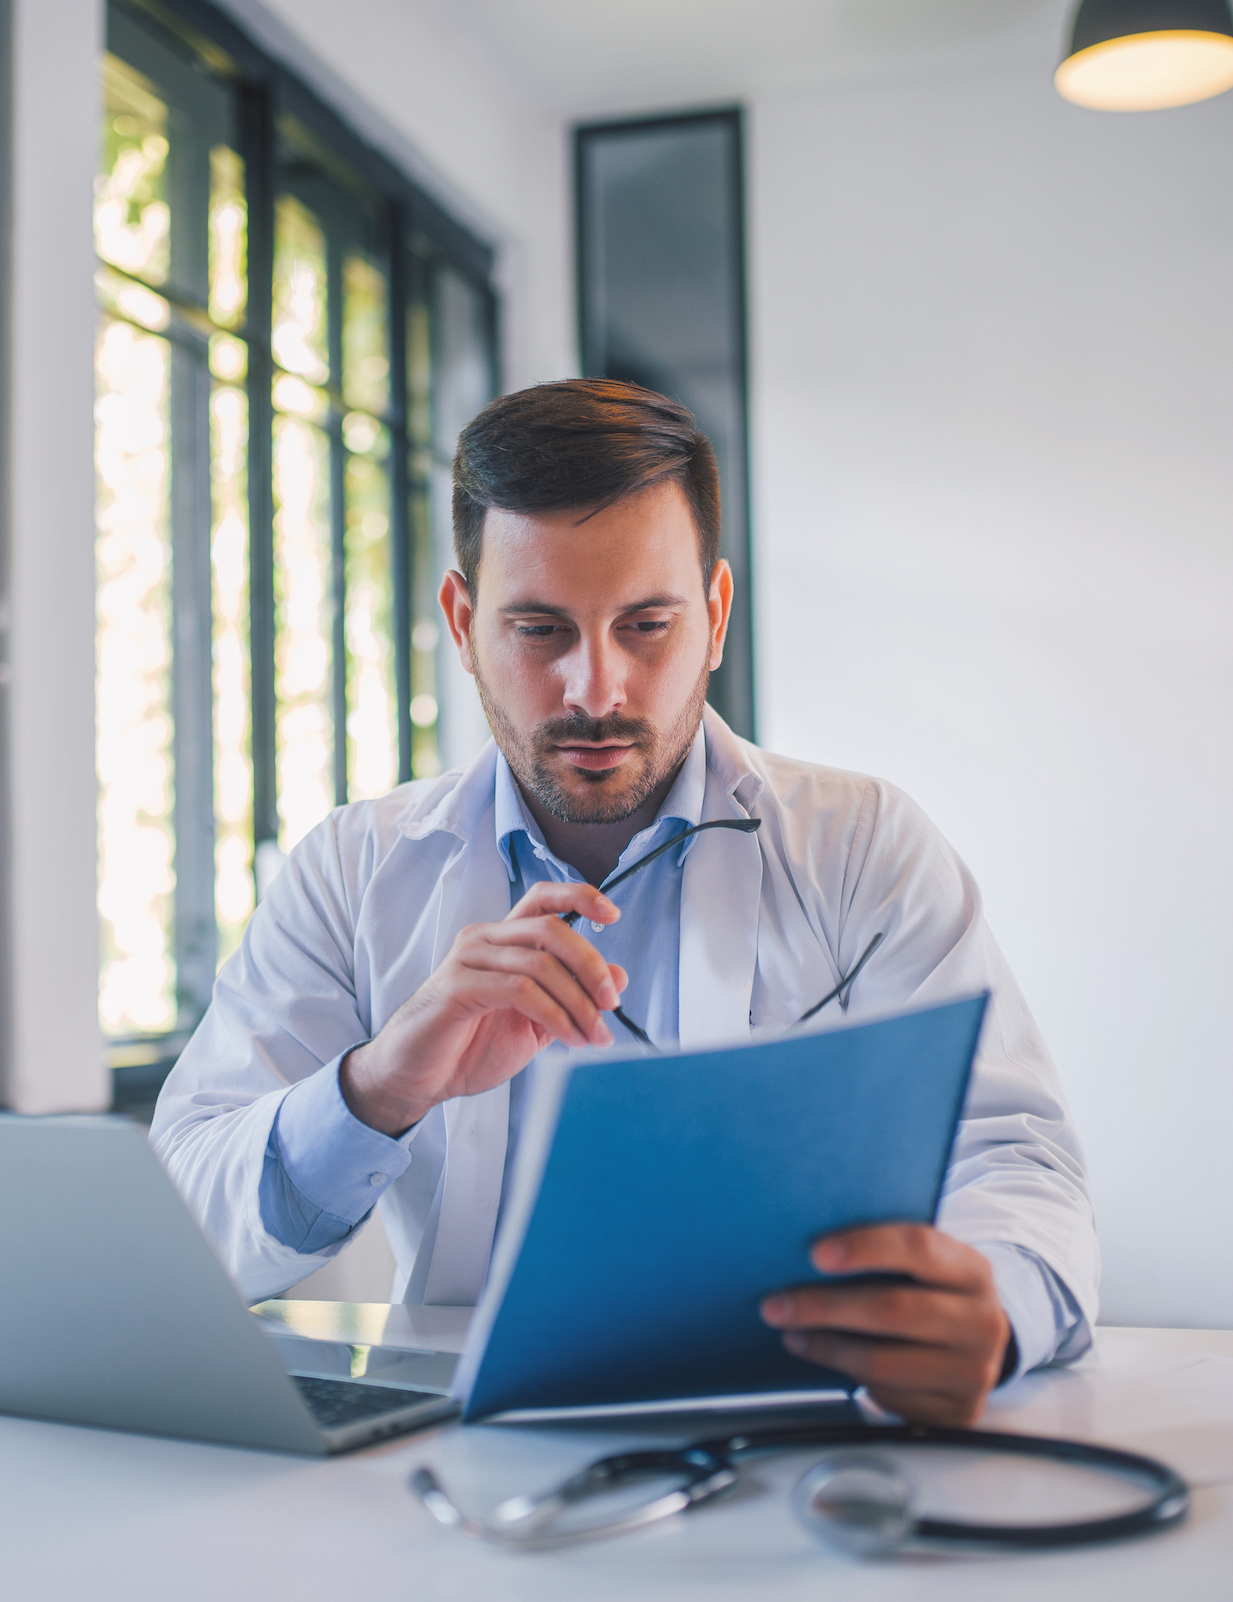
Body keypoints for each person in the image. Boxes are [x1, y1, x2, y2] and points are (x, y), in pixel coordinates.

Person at [153, 379, 1095, 1425]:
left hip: (804, 1429)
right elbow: (179, 1219)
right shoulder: (352, 874)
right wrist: (376, 1086)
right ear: (463, 624)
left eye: (646, 625)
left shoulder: (864, 847)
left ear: (716, 615)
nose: (595, 690)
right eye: (540, 629)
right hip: (464, 1459)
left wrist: (994, 1312)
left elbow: (1016, 1153)